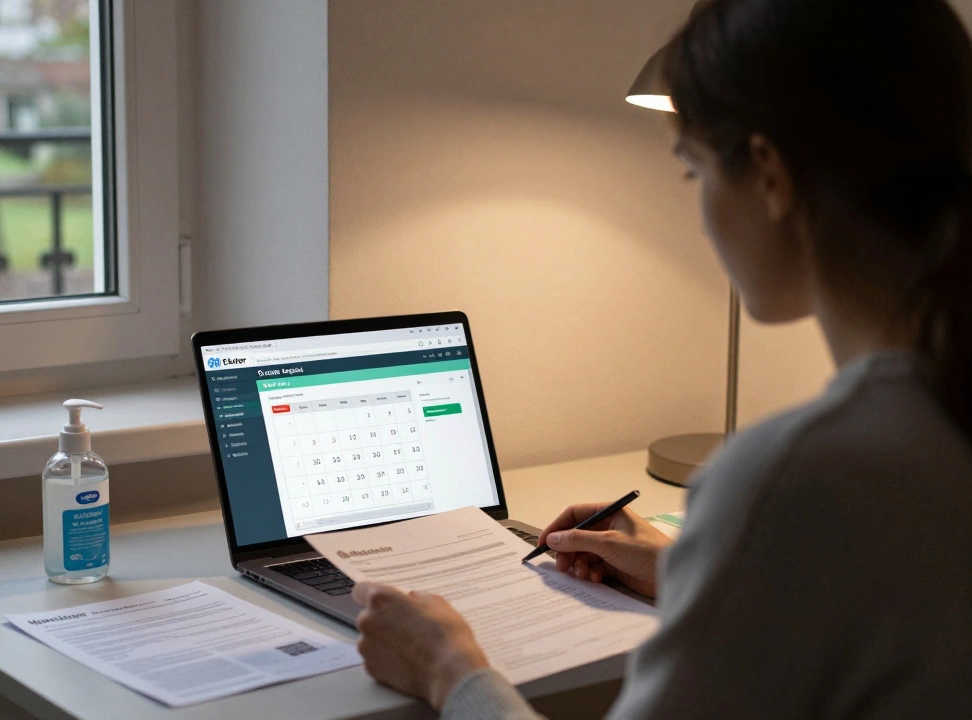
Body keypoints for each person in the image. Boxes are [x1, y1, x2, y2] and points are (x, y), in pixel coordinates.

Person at [350, 0, 972, 717]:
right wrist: (692, 571)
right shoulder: (928, 420)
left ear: (769, 175)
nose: (700, 207)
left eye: (693, 171)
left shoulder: (798, 473)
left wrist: (448, 670)